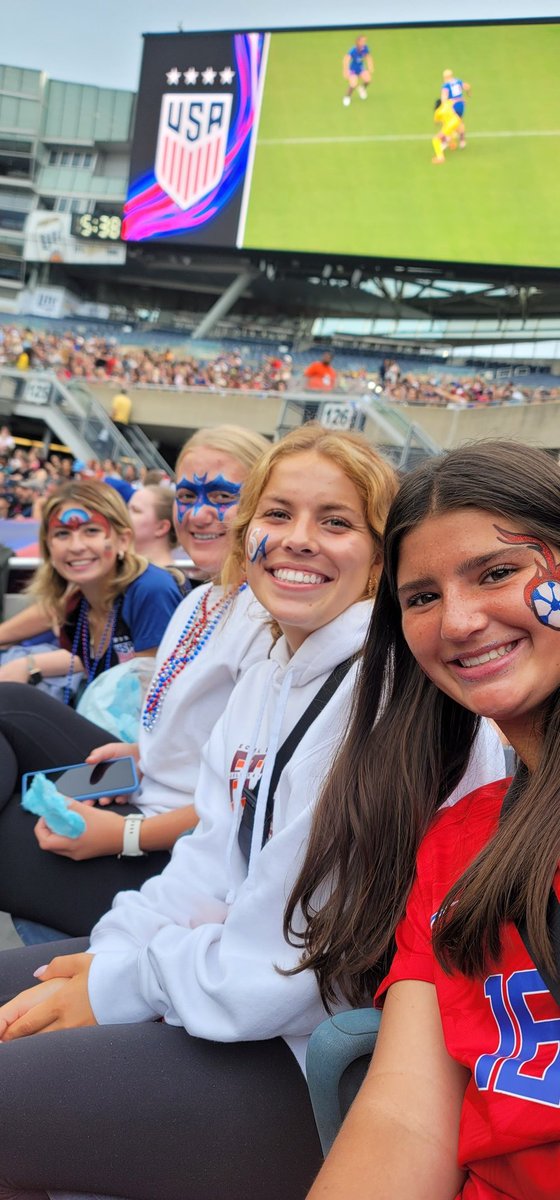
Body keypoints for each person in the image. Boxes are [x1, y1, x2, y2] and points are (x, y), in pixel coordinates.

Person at [0, 429, 503, 1200]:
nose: (299, 540)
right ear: (250, 532)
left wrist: (120, 989)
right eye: (279, 513)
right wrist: (116, 955)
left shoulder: (382, 701)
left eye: (336, 522)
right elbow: (209, 854)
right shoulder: (272, 664)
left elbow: (288, 966)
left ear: (381, 556)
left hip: (322, 1061)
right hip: (233, 988)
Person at [303, 440, 560, 1199]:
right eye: (420, 597)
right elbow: (404, 1118)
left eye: (498, 572)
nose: (458, 621)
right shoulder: (459, 839)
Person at [0, 425, 271, 936]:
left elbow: (250, 802)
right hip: (145, 786)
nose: (199, 513)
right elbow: (191, 727)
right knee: (9, 701)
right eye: (187, 496)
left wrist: (125, 835)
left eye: (222, 497)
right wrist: (143, 751)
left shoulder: (271, 619)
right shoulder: (200, 599)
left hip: (176, 858)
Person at [0, 479, 182, 692]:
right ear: (48, 546)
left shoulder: (151, 589)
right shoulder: (78, 606)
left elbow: (150, 705)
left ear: (123, 540)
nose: (76, 546)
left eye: (92, 531)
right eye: (62, 533)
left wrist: (31, 666)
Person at [441, 67, 471, 147]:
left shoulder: (446, 85)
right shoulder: (458, 81)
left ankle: (445, 141)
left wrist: (444, 106)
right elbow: (467, 86)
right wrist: (468, 94)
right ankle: (462, 141)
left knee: (447, 122)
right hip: (460, 104)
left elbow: (444, 96)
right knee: (459, 122)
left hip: (452, 105)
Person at [342, 35, 374, 107]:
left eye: (364, 41)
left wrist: (370, 66)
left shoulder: (365, 48)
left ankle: (362, 89)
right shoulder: (353, 51)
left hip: (360, 68)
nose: (364, 43)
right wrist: (345, 70)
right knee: (353, 84)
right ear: (358, 42)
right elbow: (346, 60)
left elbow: (368, 56)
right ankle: (347, 97)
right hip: (353, 70)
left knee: (368, 79)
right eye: (362, 41)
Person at [432, 97, 463, 164]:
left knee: (436, 140)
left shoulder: (437, 112)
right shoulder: (447, 103)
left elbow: (436, 123)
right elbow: (456, 100)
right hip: (457, 120)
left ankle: (440, 158)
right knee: (448, 133)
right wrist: (462, 100)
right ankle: (452, 144)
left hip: (450, 125)